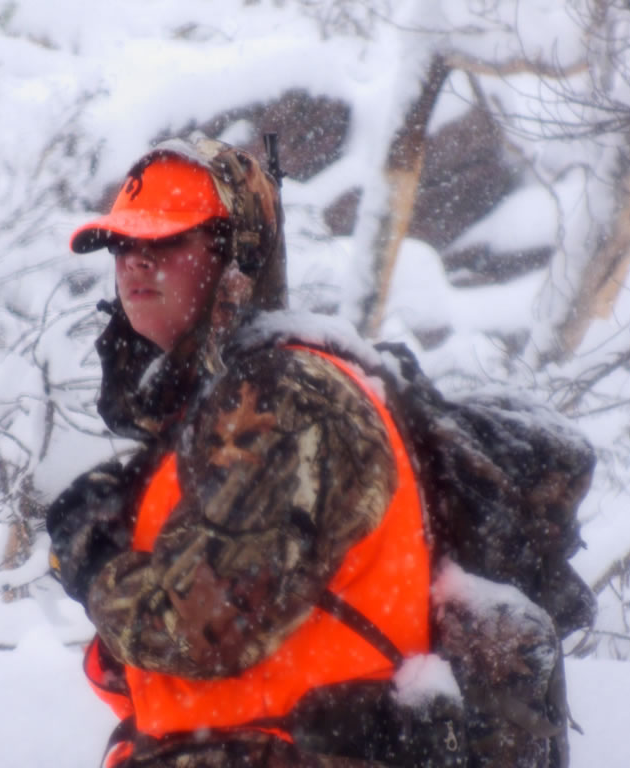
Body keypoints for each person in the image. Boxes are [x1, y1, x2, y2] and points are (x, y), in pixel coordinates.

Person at [46, 135, 456, 767]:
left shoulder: (287, 399)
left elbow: (205, 630)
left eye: (168, 240)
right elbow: (180, 681)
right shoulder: (209, 415)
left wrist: (96, 564)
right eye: (123, 243)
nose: (136, 262)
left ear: (237, 256)